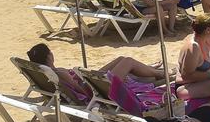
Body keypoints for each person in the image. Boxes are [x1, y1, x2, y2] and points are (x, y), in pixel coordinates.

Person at [26, 43, 166, 103]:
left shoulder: (45, 74)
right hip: (94, 89)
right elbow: (81, 90)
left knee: (120, 59)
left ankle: (149, 68)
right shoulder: (59, 73)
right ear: (49, 56)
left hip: (89, 82)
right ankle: (159, 74)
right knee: (128, 61)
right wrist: (90, 79)